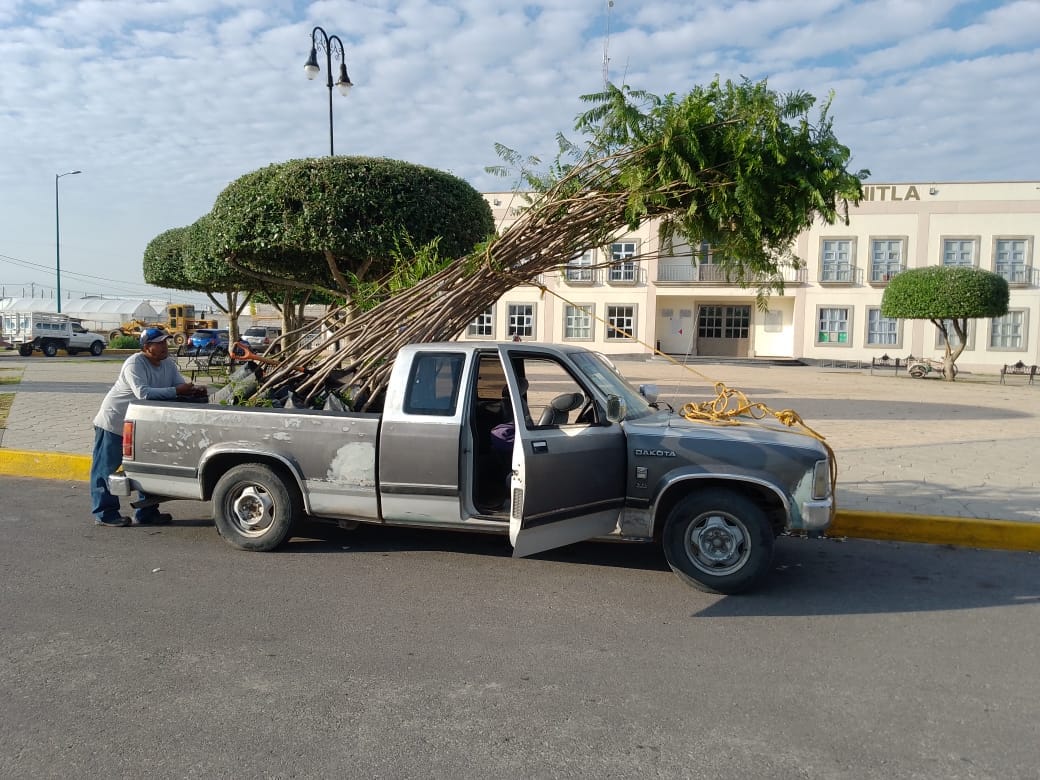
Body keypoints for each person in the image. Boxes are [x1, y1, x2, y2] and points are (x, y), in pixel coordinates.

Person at [90, 327, 207, 527]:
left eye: (165, 342)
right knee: (105, 469)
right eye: (159, 343)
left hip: (144, 425)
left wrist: (192, 391)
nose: (164, 346)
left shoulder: (167, 364)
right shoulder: (134, 363)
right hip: (115, 423)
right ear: (146, 347)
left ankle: (147, 512)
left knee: (146, 466)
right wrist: (177, 390)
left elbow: (177, 387)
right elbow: (143, 393)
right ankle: (105, 514)